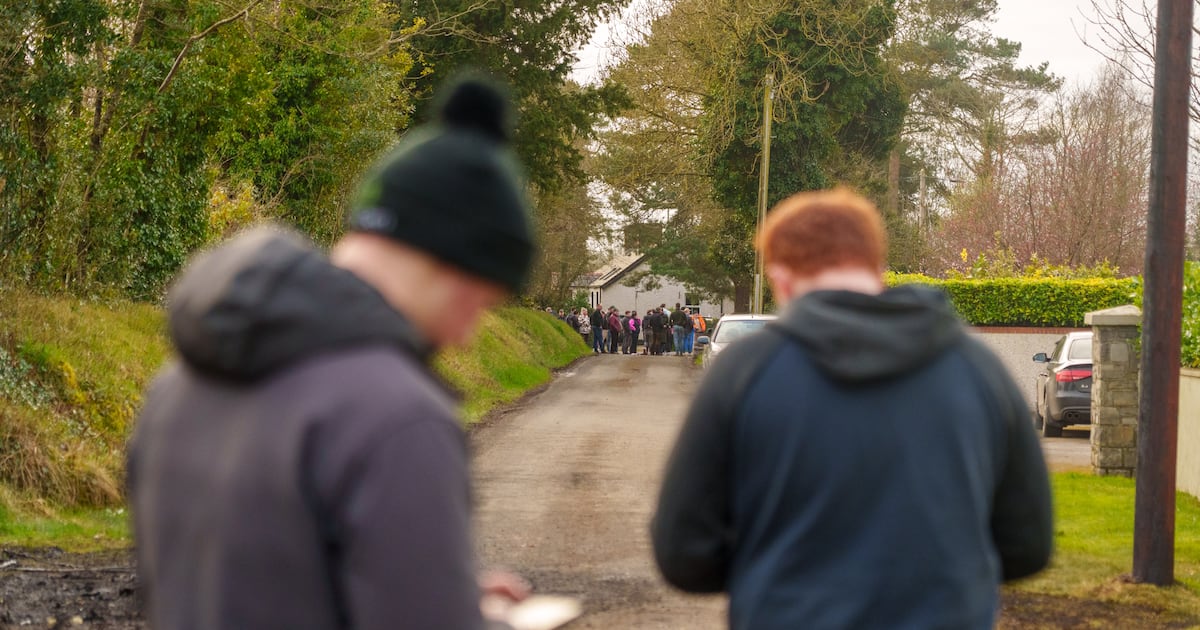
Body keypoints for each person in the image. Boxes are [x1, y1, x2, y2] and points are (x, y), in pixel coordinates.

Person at [128, 75, 536, 630]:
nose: (467, 333)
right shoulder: (396, 417)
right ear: (447, 261)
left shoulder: (178, 384)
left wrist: (432, 584)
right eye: (479, 302)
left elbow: (247, 584)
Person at [651, 188, 1053, 630]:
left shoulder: (744, 372)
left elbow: (683, 552)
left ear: (781, 279)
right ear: (877, 270)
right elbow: (1028, 545)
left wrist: (770, 574)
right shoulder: (977, 369)